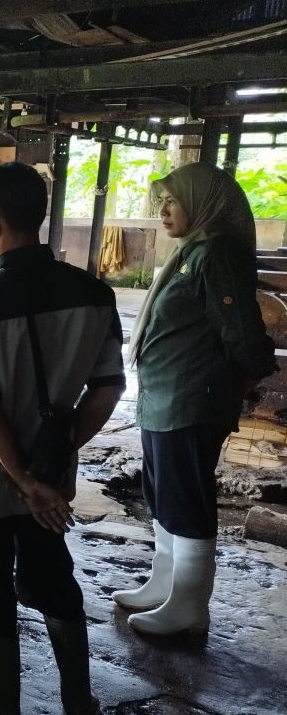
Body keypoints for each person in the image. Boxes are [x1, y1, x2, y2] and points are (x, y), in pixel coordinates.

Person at [0, 162, 126, 715]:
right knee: (52, 577)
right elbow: (107, 388)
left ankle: (0, 701)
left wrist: (20, 480)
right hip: (52, 477)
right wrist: (58, 455)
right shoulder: (94, 294)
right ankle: (77, 697)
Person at [113, 162, 276, 636]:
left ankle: (189, 606)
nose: (163, 210)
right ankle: (165, 583)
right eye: (160, 201)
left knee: (187, 495)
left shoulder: (217, 254)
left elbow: (244, 337)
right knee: (162, 492)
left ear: (202, 202)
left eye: (172, 200)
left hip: (190, 399)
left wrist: (236, 385)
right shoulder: (192, 250)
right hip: (165, 398)